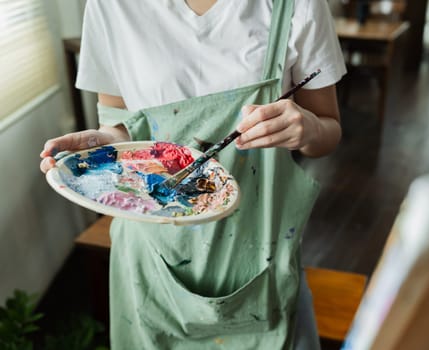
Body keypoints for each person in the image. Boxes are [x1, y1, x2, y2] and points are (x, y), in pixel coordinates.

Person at [40, 0, 346, 348]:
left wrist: (307, 129)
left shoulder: (296, 5)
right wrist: (103, 142)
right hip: (150, 256)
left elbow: (329, 130)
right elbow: (123, 131)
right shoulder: (110, 5)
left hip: (257, 251)